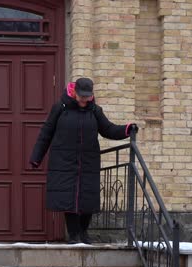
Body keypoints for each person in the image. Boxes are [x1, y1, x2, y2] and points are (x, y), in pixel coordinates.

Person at [29, 77, 138, 244]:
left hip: (88, 161)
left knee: (88, 197)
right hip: (64, 161)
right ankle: (73, 234)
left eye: (87, 97)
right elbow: (46, 132)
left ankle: (84, 232)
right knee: (69, 197)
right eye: (81, 96)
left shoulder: (95, 111)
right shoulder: (60, 107)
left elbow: (108, 129)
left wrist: (127, 129)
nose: (84, 100)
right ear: (74, 92)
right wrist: (36, 157)